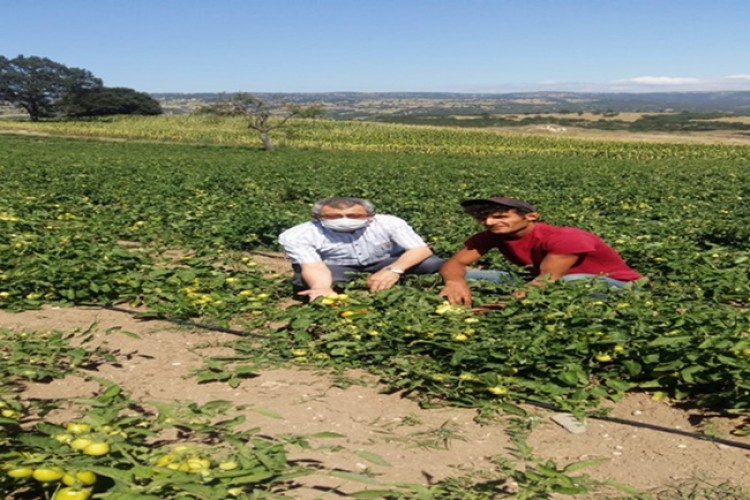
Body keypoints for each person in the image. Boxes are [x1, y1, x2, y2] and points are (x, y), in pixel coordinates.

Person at [439, 196, 642, 305]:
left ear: (531, 216)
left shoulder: (566, 238)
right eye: (484, 219)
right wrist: (454, 282)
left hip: (618, 284)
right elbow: (454, 264)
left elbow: (546, 280)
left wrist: (502, 306)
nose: (490, 223)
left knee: (569, 283)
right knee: (464, 274)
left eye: (501, 217)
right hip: (538, 280)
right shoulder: (493, 235)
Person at [279, 197, 443, 301]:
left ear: (370, 216)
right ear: (316, 218)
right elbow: (313, 266)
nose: (344, 220)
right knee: (304, 280)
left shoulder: (389, 223)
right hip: (335, 266)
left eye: (354, 216)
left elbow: (420, 250)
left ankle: (385, 279)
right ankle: (372, 283)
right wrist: (321, 288)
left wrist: (393, 270)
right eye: (333, 216)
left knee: (431, 263)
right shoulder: (298, 234)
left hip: (384, 261)